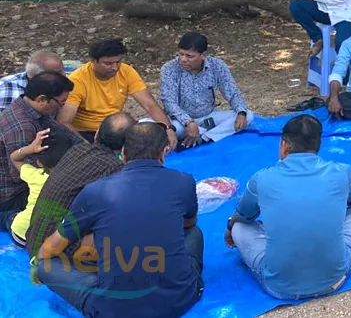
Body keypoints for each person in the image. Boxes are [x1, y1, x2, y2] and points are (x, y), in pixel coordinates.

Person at [35, 121, 204, 318]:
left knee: (45, 268)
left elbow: (48, 250)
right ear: (163, 153)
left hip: (112, 310)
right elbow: (189, 225)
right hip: (179, 299)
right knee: (194, 234)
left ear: (123, 154)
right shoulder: (184, 181)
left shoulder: (96, 191)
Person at [225, 114, 351, 299]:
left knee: (239, 228)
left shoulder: (261, 179)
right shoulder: (343, 172)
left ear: (284, 145)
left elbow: (242, 217)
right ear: (317, 146)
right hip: (334, 278)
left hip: (279, 286)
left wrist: (230, 227)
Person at [24, 113, 134, 258]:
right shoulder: (114, 169)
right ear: (126, 146)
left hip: (34, 239)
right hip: (53, 250)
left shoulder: (77, 150)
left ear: (97, 133)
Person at [58, 39, 176, 150]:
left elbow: (149, 104)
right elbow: (64, 121)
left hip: (118, 128)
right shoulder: (77, 80)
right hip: (87, 132)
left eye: (118, 62)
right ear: (93, 61)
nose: (115, 68)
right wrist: (86, 147)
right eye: (108, 63)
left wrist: (168, 128)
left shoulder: (127, 72)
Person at [0, 71, 75, 223]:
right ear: (42, 99)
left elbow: (62, 132)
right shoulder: (22, 127)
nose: (63, 106)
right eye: (61, 102)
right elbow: (19, 174)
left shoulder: (33, 109)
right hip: (12, 196)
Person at [160, 32, 251, 149]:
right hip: (180, 122)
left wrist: (241, 113)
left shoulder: (217, 65)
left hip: (208, 118)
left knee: (248, 116)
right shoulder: (169, 69)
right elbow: (169, 103)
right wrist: (188, 122)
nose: (183, 59)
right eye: (181, 54)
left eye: (189, 56)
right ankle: (197, 135)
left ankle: (203, 138)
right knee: (159, 129)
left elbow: (232, 92)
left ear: (203, 55)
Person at [5, 126, 76, 246]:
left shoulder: (35, 175)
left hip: (21, 235)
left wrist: (31, 148)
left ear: (39, 163)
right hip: (48, 241)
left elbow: (14, 158)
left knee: (7, 216)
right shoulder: (75, 181)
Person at [0, 50, 64, 111]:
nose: (64, 75)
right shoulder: (6, 89)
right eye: (57, 73)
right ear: (38, 77)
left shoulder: (61, 85)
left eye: (62, 70)